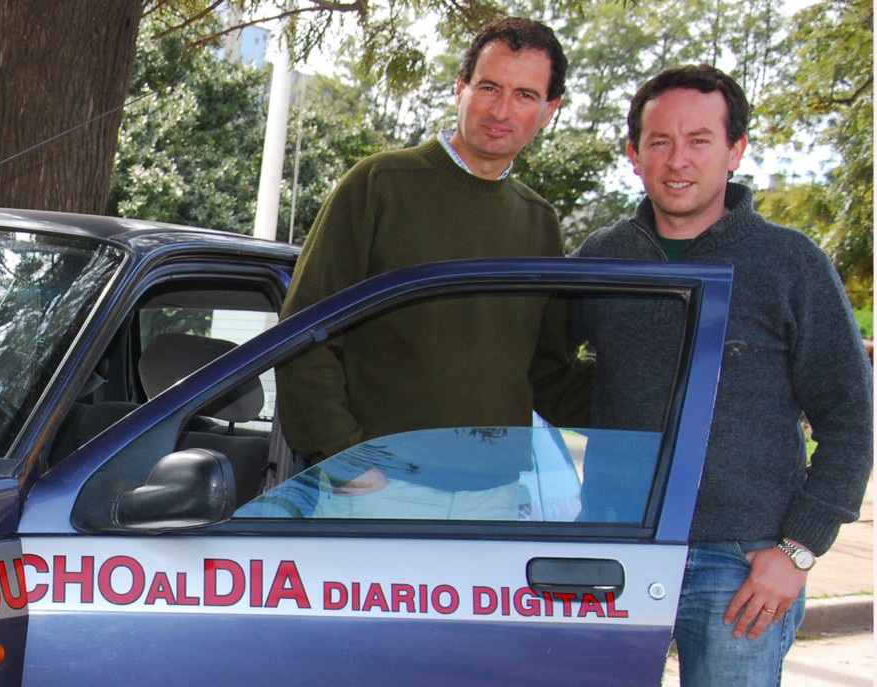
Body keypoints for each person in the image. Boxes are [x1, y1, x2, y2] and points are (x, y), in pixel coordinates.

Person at [571, 65, 873, 685]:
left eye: (699, 140)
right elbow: (539, 368)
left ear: (735, 150)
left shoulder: (790, 263)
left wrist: (797, 550)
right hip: (617, 550)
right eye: (659, 141)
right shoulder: (602, 258)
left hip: (741, 561)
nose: (677, 160)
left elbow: (850, 417)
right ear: (634, 154)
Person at [274, 17, 590, 514]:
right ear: (460, 88)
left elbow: (547, 372)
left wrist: (666, 389)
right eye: (489, 87)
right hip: (382, 494)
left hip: (496, 500)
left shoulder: (539, 222)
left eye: (525, 95)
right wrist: (344, 462)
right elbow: (303, 334)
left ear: (550, 111)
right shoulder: (379, 185)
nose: (501, 110)